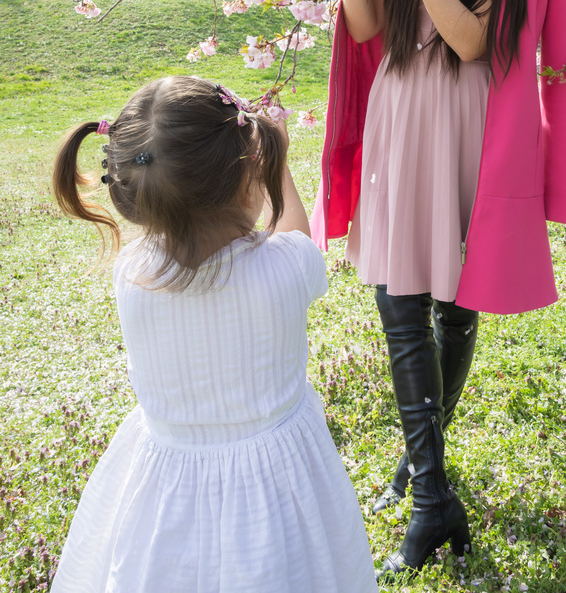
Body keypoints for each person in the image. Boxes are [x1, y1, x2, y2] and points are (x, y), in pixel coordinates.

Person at [311, 0, 566, 579]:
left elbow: (470, 42)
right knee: (399, 305)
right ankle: (431, 491)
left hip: (468, 129)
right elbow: (364, 30)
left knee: (452, 307)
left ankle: (425, 477)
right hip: (401, 124)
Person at [50, 75, 377, 593]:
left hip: (162, 483)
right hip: (279, 484)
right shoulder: (284, 270)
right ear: (250, 179)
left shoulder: (131, 274)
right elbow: (296, 235)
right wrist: (282, 164)